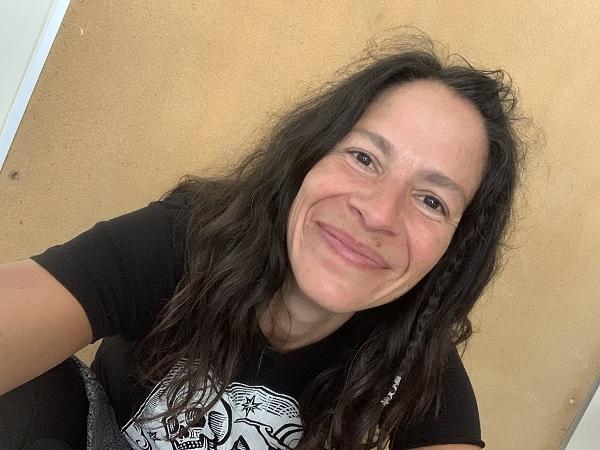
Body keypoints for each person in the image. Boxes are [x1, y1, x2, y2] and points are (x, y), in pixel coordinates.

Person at [0, 36, 523, 450]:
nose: (378, 213)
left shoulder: (415, 355)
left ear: (454, 249)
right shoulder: (190, 238)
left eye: (432, 201)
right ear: (306, 159)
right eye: (363, 158)